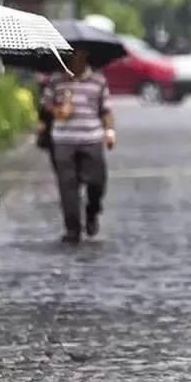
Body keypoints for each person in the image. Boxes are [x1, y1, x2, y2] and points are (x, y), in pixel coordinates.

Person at [40, 49, 116, 243]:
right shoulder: (56, 80)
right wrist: (59, 108)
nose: (75, 59)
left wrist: (109, 131)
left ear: (85, 56)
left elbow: (106, 109)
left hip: (91, 137)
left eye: (79, 54)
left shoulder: (98, 80)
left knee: (96, 182)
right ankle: (72, 228)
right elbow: (46, 105)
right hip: (64, 139)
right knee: (68, 185)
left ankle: (92, 211)